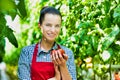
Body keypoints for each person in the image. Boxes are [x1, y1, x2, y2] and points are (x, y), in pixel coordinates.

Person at [18, 6, 77, 80]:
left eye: (57, 26)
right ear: (40, 26)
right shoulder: (27, 52)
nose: (53, 30)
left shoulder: (67, 53)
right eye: (48, 25)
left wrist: (62, 65)